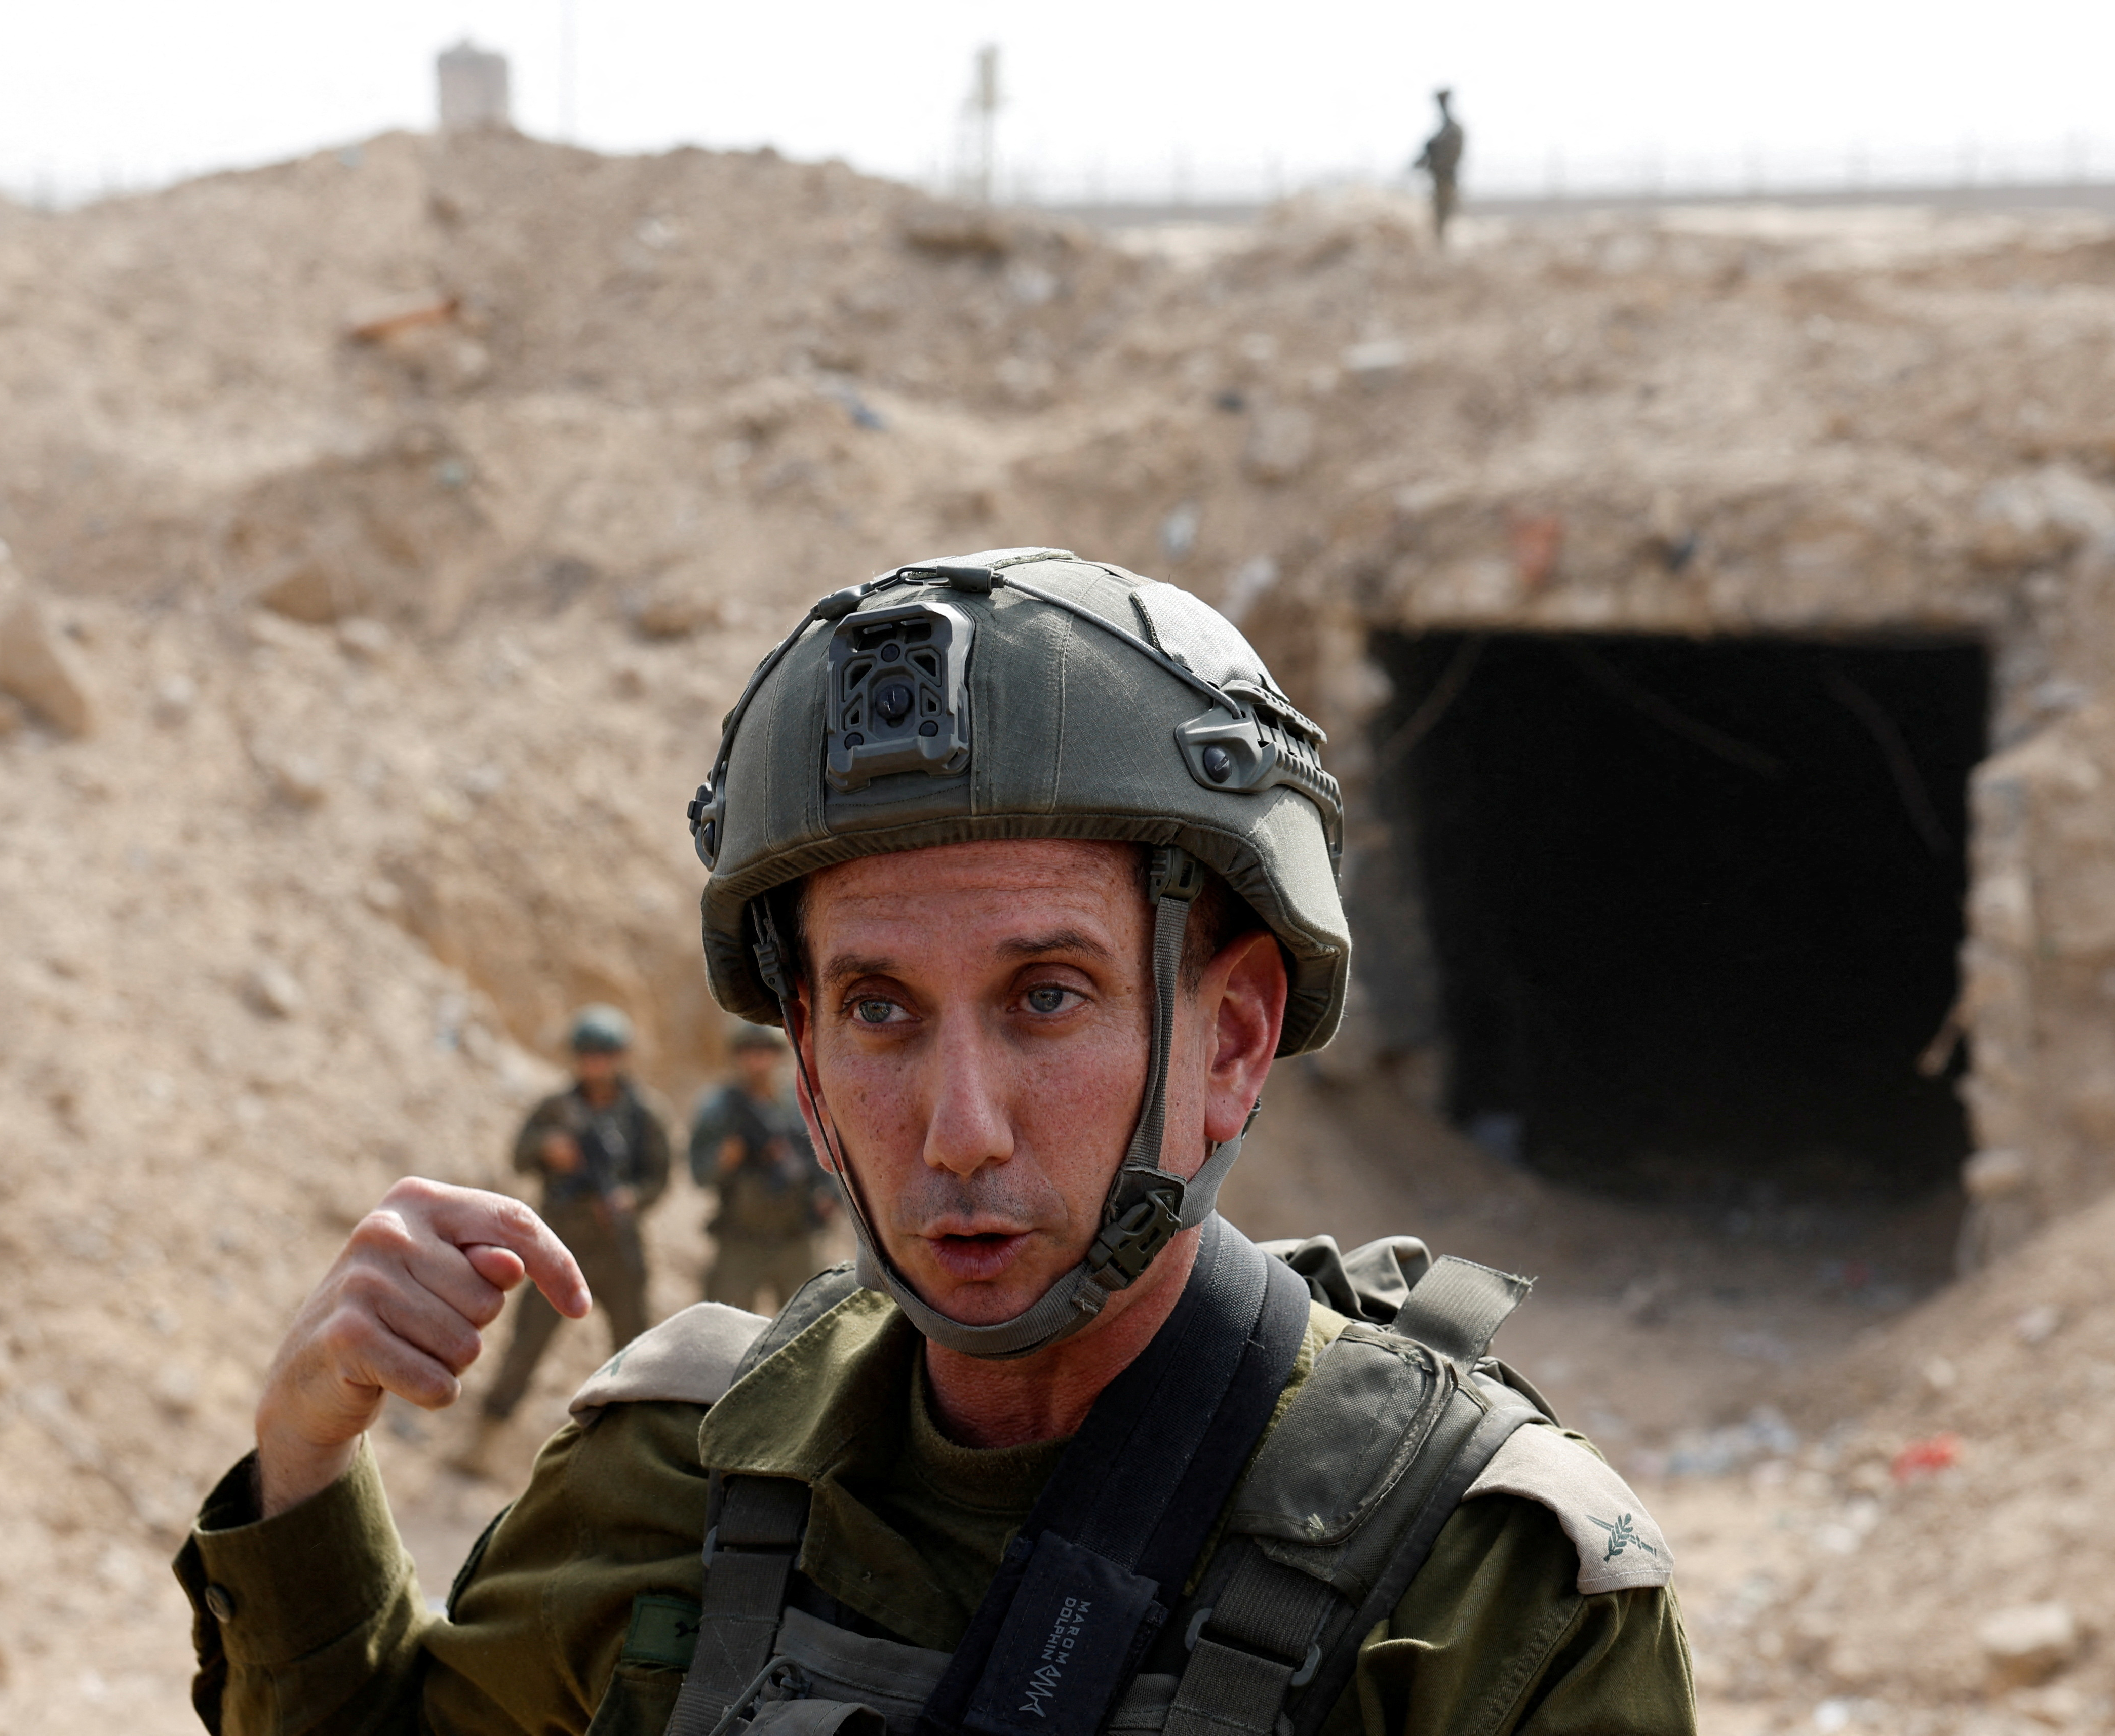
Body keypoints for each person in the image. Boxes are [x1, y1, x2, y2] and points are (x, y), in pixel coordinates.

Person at [174, 549, 1695, 1735]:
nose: (958, 1128)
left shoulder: (1477, 1584)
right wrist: (308, 1458)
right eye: (882, 1010)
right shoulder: (674, 1468)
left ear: (1228, 1039)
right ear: (813, 1071)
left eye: (1046, 995)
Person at [453, 1002, 671, 1471]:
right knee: (527, 1343)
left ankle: (638, 1458)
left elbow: (659, 1177)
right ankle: (485, 1441)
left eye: (605, 1053)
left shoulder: (642, 1115)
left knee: (634, 1350)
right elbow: (519, 1155)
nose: (596, 1063)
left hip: (617, 1248)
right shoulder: (557, 1108)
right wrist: (549, 1150)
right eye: (588, 1053)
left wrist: (630, 1199)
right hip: (560, 1246)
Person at [691, 1019, 839, 1311]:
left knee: (807, 1327)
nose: (757, 1060)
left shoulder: (801, 1104)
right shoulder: (721, 1109)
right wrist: (724, 1161)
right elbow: (700, 1173)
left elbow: (830, 1157)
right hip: (741, 1240)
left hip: (795, 1237)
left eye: (765, 1051)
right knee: (729, 1328)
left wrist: (829, 1196)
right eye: (749, 1051)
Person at [1414, 87, 1465, 243]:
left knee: (1444, 217)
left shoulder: (1453, 131)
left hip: (1446, 180)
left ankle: (1443, 247)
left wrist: (1433, 160)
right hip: (1438, 180)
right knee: (1437, 217)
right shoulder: (1443, 131)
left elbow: (1449, 157)